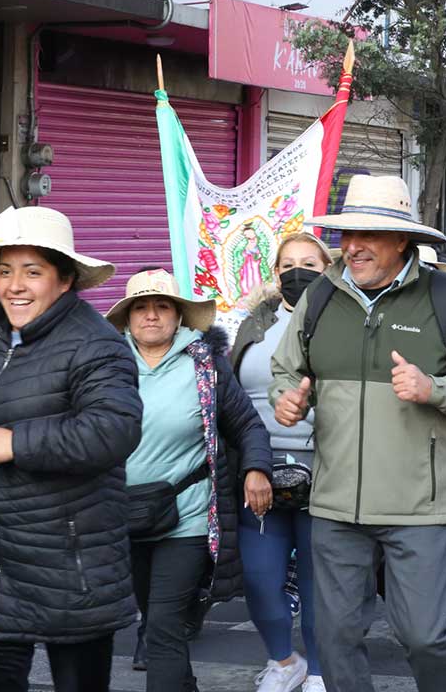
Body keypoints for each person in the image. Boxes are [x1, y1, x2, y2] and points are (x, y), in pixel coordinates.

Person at [268, 175, 446, 692]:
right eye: (347, 234)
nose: (352, 246)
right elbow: (285, 371)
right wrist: (286, 399)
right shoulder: (320, 298)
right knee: (333, 638)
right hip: (334, 504)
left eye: (368, 234)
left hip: (418, 507)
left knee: (424, 635)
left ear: (403, 240)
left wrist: (434, 388)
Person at [0, 206, 142, 692]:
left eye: (32, 272)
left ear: (64, 281)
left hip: (70, 565)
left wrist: (18, 442)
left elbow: (115, 429)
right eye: (5, 271)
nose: (14, 285)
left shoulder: (96, 345)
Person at [107, 269, 273, 692]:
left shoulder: (205, 364)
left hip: (189, 515)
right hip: (123, 514)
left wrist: (256, 468)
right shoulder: (105, 367)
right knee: (154, 616)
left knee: (163, 625)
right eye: (140, 307)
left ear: (178, 315)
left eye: (161, 306)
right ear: (127, 318)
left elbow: (247, 426)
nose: (151, 315)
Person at [233, 234, 334, 692]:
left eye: (309, 263)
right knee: (258, 578)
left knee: (320, 585)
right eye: (288, 264)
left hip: (329, 473)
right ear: (275, 273)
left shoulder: (346, 320)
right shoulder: (253, 324)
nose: (298, 271)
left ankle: (318, 670)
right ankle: (283, 660)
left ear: (329, 267)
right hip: (259, 470)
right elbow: (230, 396)